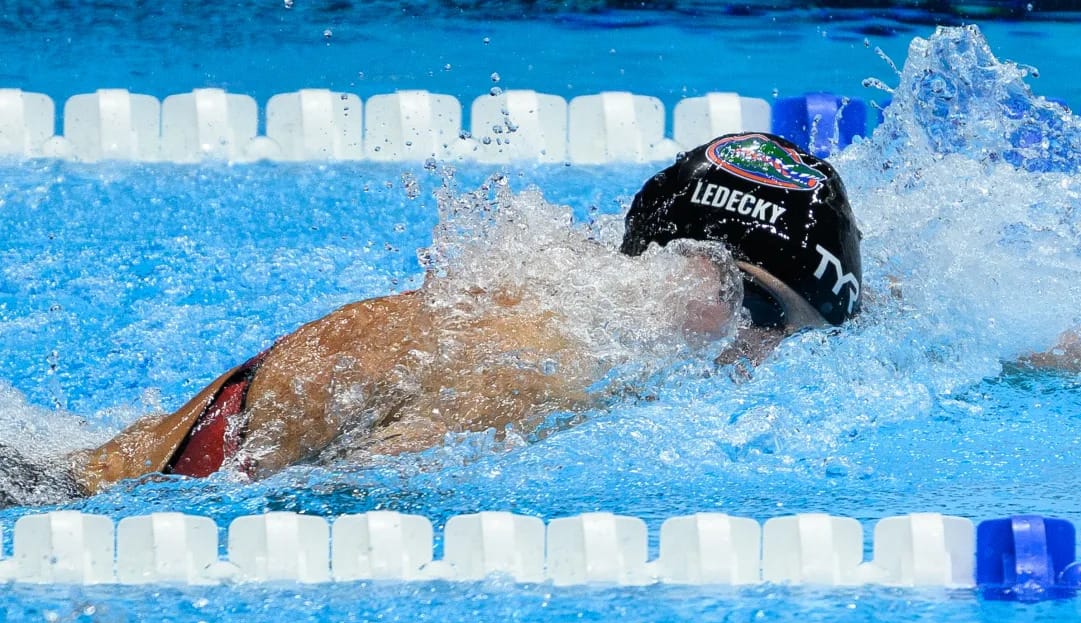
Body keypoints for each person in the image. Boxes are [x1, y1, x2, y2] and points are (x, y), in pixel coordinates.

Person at [43, 132, 858, 499]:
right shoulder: (537, 363)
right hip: (71, 501)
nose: (768, 350)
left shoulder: (563, 310)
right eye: (760, 310)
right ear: (693, 276)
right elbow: (331, 504)